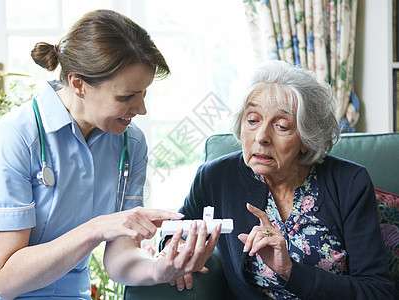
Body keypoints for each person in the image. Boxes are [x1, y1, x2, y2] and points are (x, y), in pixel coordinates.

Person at [0, 9, 220, 299]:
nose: (141, 109)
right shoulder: (17, 135)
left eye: (143, 93)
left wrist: (160, 269)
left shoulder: (130, 143)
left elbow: (120, 256)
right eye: (126, 97)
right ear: (78, 84)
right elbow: (5, 280)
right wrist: (97, 228)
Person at [167, 60, 394, 299]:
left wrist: (291, 271)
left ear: (307, 139)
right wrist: (176, 248)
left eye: (282, 125)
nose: (262, 136)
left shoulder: (350, 183)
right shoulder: (216, 177)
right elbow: (174, 229)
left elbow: (378, 291)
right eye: (253, 120)